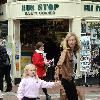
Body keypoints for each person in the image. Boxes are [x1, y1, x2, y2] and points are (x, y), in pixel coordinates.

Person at [55, 32, 81, 100]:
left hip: (71, 78)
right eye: (69, 40)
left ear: (76, 41)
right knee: (73, 98)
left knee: (71, 97)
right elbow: (59, 64)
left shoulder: (73, 52)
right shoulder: (65, 52)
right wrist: (57, 77)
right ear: (67, 42)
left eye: (73, 40)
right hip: (66, 79)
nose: (71, 42)